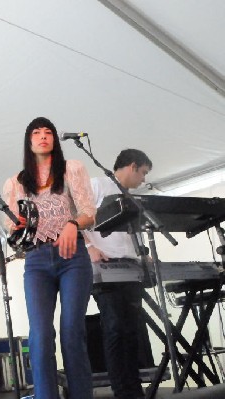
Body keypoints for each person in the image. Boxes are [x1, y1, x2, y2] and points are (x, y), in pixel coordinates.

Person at [2, 116, 96, 399]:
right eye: (37, 132)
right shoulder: (17, 182)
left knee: (71, 332)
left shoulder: (71, 169)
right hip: (37, 260)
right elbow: (11, 225)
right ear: (29, 142)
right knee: (40, 337)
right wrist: (15, 224)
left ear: (54, 139)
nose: (43, 136)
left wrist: (72, 224)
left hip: (73, 257)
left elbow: (89, 213)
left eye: (48, 132)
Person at [84, 149, 152, 399]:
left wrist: (142, 253)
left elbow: (131, 233)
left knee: (132, 329)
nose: (143, 179)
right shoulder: (97, 185)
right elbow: (74, 217)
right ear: (132, 166)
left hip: (130, 267)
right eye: (143, 172)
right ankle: (121, 390)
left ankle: (134, 388)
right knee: (114, 328)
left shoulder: (130, 197)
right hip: (105, 266)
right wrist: (89, 247)